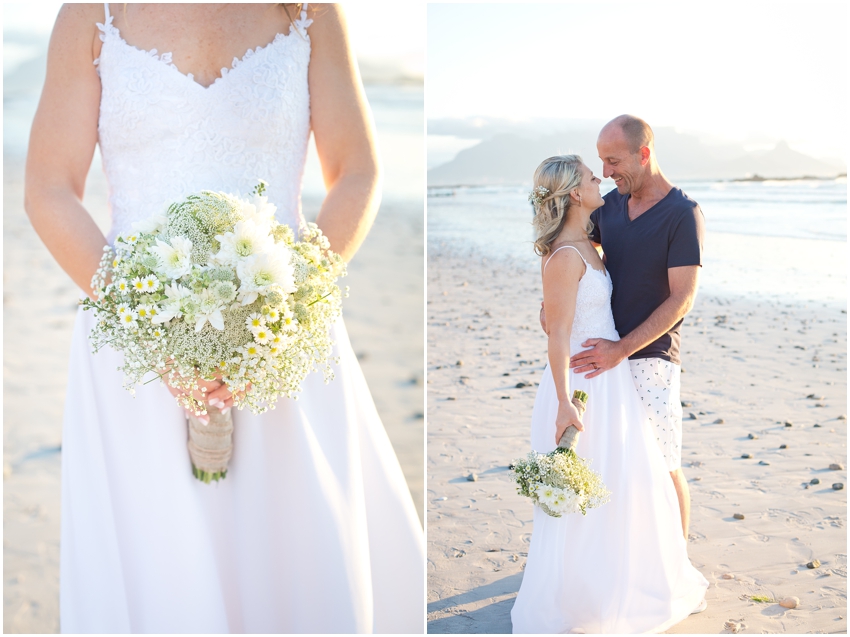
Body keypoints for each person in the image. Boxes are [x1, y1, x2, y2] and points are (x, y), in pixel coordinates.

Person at [25, 4, 423, 633]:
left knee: (294, 548)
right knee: (163, 562)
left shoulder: (308, 11)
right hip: (136, 345)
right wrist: (144, 320)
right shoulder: (93, 13)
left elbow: (357, 170)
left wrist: (287, 311)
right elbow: (49, 186)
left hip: (282, 333)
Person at [511, 155, 707, 633]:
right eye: (590, 175)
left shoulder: (588, 243)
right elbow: (556, 335)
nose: (600, 177)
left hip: (610, 379)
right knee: (586, 490)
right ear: (576, 194)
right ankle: (582, 597)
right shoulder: (566, 254)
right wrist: (562, 402)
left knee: (618, 482)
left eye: (604, 167)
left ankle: (617, 581)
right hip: (580, 384)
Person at [568, 114, 705, 540]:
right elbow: (571, 247)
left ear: (643, 154)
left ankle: (676, 562)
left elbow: (681, 299)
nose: (606, 172)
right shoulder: (607, 206)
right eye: (601, 164)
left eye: (613, 161)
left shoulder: (683, 214)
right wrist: (553, 302)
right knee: (613, 461)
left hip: (651, 358)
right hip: (603, 356)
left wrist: (621, 348)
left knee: (663, 463)